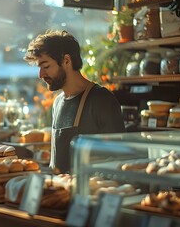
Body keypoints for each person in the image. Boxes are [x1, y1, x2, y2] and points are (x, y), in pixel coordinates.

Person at [24, 30, 126, 173]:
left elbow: (119, 159)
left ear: (66, 60)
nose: (41, 75)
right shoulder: (58, 103)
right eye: (40, 68)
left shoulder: (101, 99)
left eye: (46, 66)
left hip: (89, 192)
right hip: (60, 191)